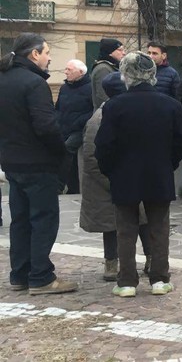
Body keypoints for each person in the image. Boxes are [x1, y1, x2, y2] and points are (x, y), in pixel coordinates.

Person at [95, 53, 182, 298]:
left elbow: (103, 144)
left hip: (124, 174)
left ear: (125, 75)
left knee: (125, 229)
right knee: (159, 227)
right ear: (152, 74)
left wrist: (110, 170)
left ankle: (126, 281)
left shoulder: (114, 105)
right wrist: (169, 164)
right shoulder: (170, 104)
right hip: (159, 172)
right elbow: (180, 142)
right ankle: (160, 279)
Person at [0, 33, 77, 295]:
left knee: (20, 220)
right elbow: (46, 126)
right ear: (34, 54)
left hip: (13, 162)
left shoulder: (4, 79)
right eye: (46, 52)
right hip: (37, 163)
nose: (49, 58)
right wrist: (61, 152)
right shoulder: (34, 83)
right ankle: (41, 276)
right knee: (44, 219)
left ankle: (20, 274)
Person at [80, 74, 153, 283]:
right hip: (109, 181)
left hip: (126, 178)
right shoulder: (100, 118)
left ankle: (151, 259)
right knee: (112, 225)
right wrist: (114, 182)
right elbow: (92, 156)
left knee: (143, 221)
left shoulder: (118, 111)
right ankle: (111, 264)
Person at [55, 59, 92, 194]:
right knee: (66, 155)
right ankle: (73, 188)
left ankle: (58, 185)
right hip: (63, 127)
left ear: (80, 72)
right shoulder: (64, 88)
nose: (66, 72)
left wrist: (80, 121)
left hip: (80, 129)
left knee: (67, 149)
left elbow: (94, 110)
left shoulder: (90, 88)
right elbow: (58, 107)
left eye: (69, 70)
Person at [91, 37, 126, 109]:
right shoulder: (103, 69)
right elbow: (103, 97)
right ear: (110, 52)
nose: (124, 53)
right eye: (120, 50)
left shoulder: (112, 67)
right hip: (108, 112)